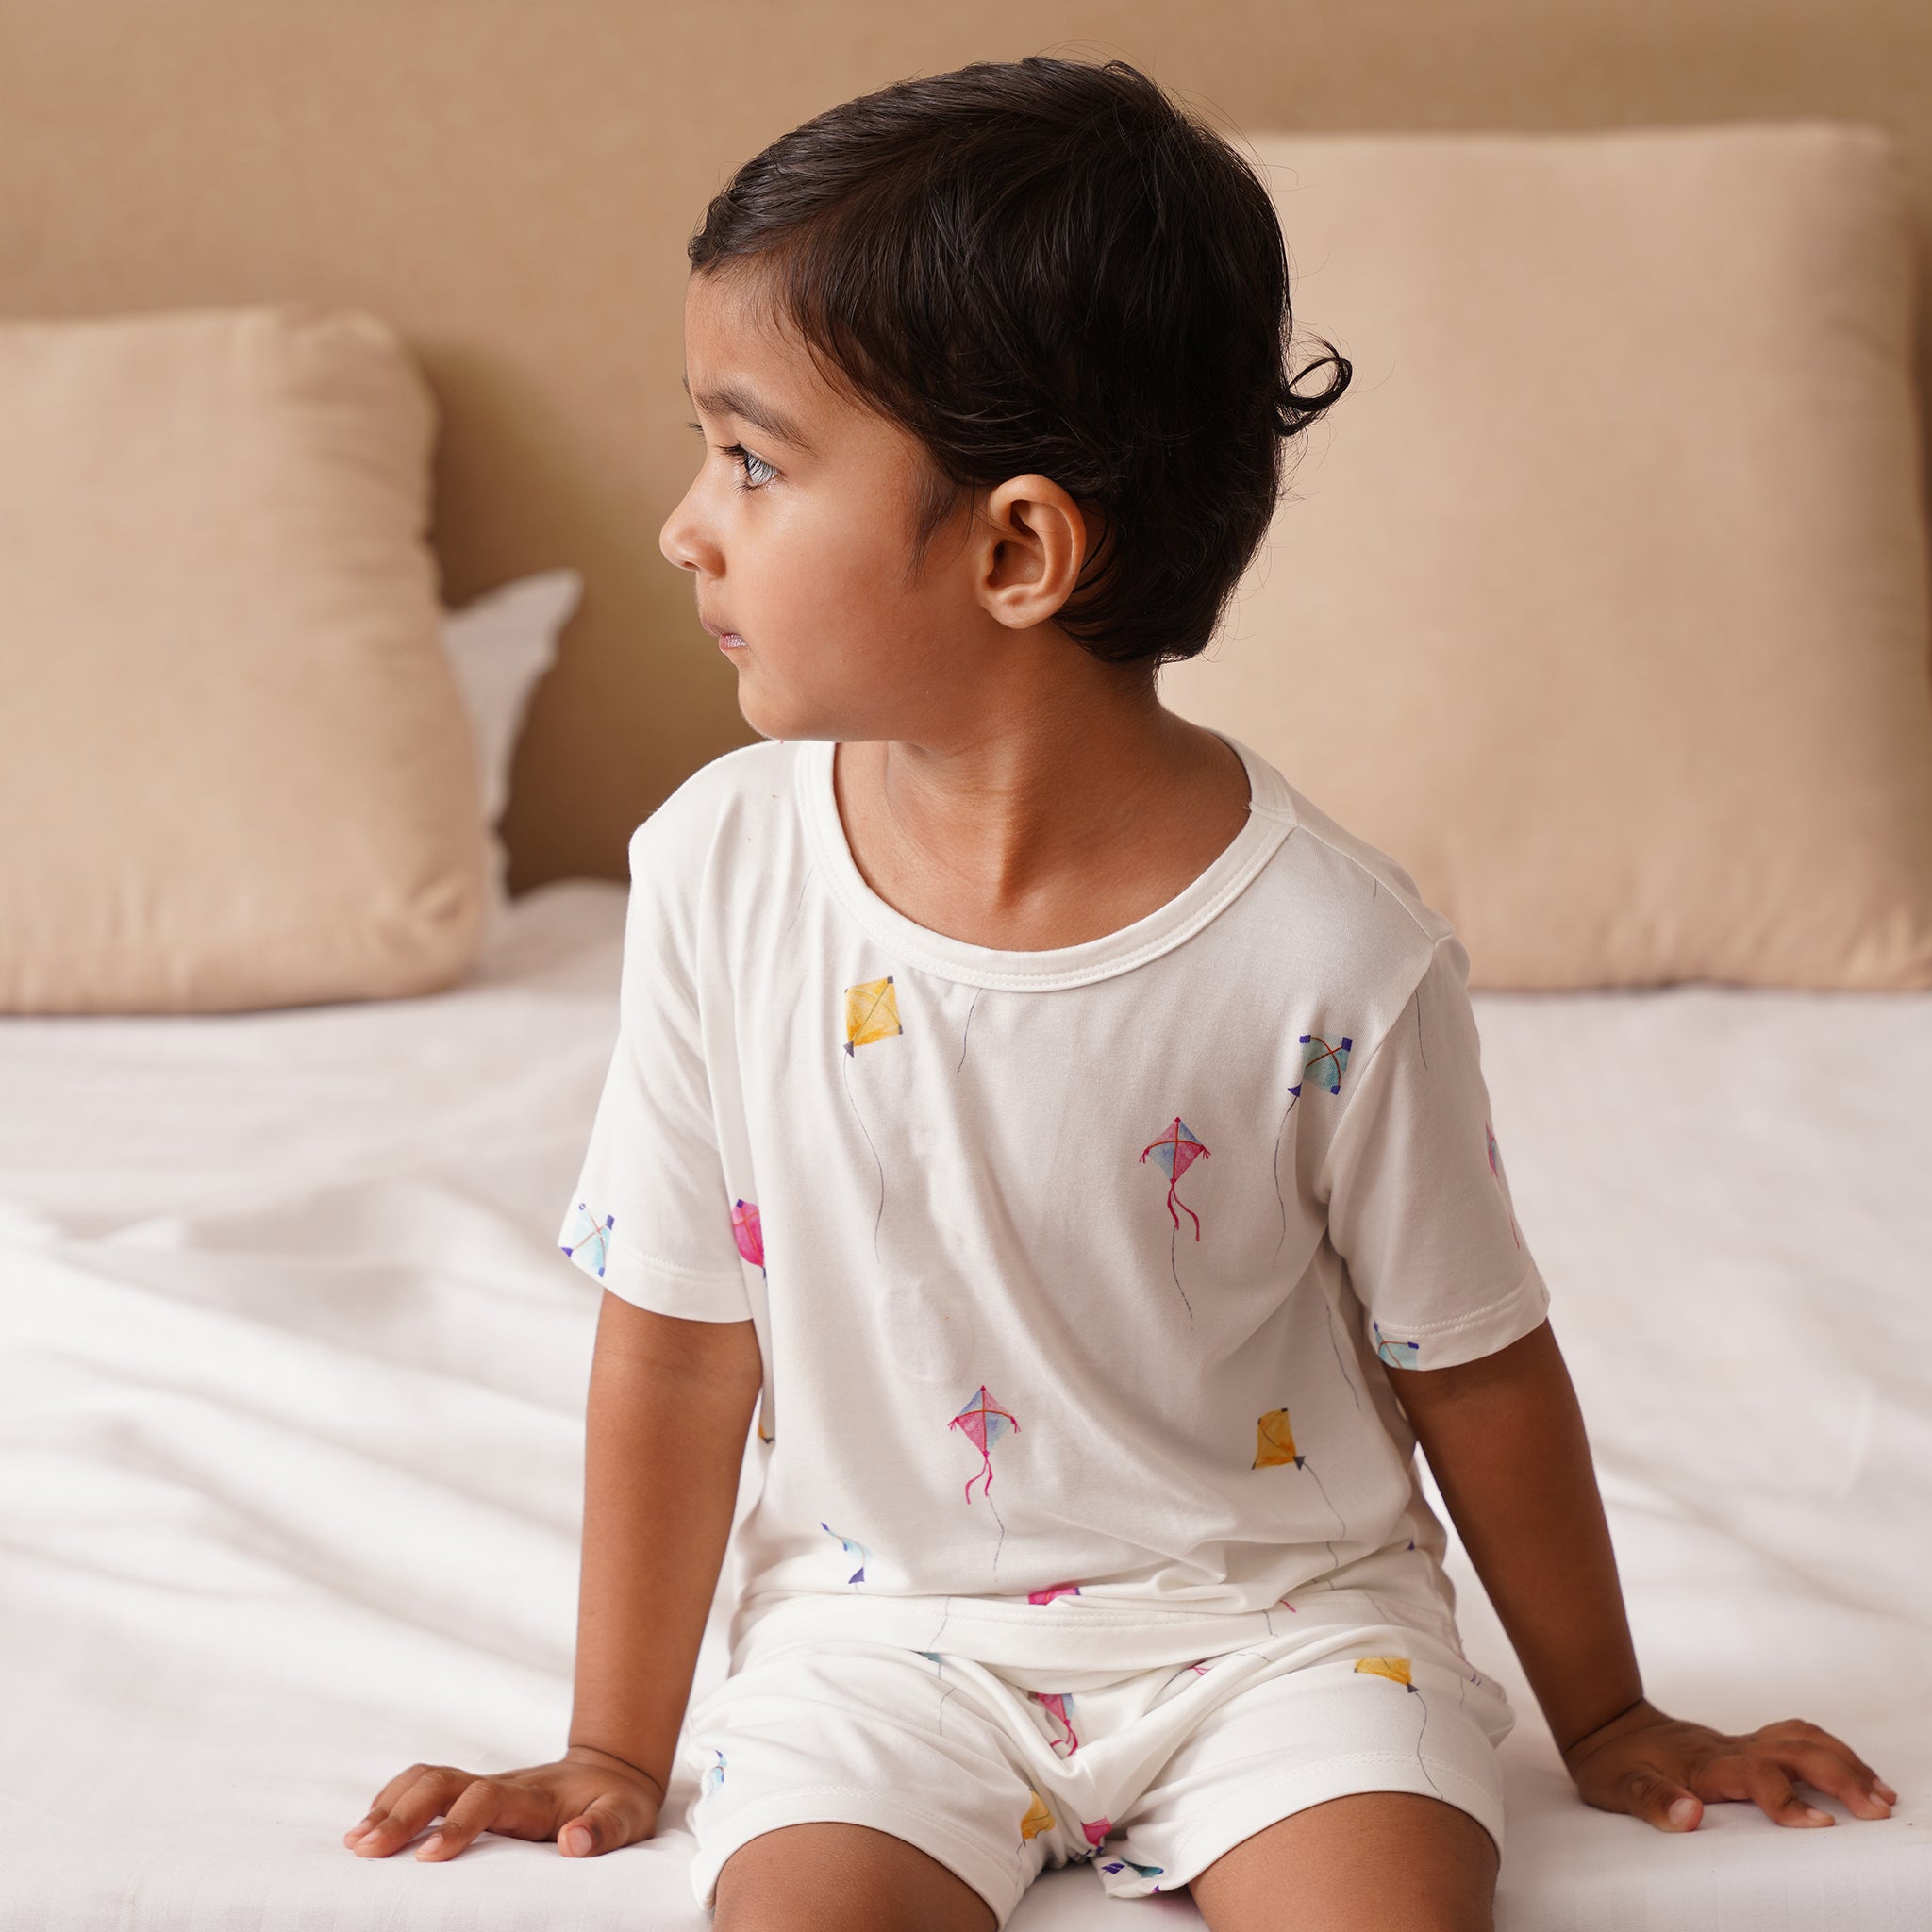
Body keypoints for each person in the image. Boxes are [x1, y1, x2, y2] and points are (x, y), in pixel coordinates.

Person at [341, 54, 1897, 1931]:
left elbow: (1471, 1360)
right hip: (880, 1633)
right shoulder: (715, 878)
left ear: (1012, 548)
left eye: (751, 459)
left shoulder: (1332, 952)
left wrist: (1607, 1709)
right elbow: (680, 1339)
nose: (687, 522)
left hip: (1286, 1637)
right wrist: (613, 1744)